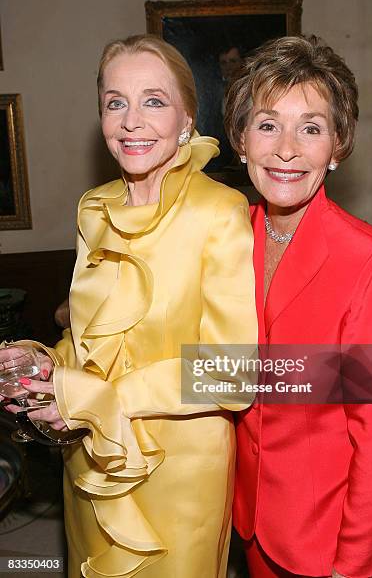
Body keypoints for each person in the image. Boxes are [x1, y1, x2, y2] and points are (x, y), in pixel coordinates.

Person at [1, 34, 257, 577]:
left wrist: (96, 397)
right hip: (90, 455)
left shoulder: (220, 211)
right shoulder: (93, 208)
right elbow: (89, 339)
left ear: (187, 116)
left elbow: (232, 374)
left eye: (154, 101)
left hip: (181, 467)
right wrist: (43, 364)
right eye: (116, 102)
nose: (131, 120)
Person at [224, 35, 372, 578]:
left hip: (323, 540)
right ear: (241, 140)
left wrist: (354, 566)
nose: (287, 149)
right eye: (267, 124)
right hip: (246, 521)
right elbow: (216, 375)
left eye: (311, 127)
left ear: (337, 146)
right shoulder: (227, 242)